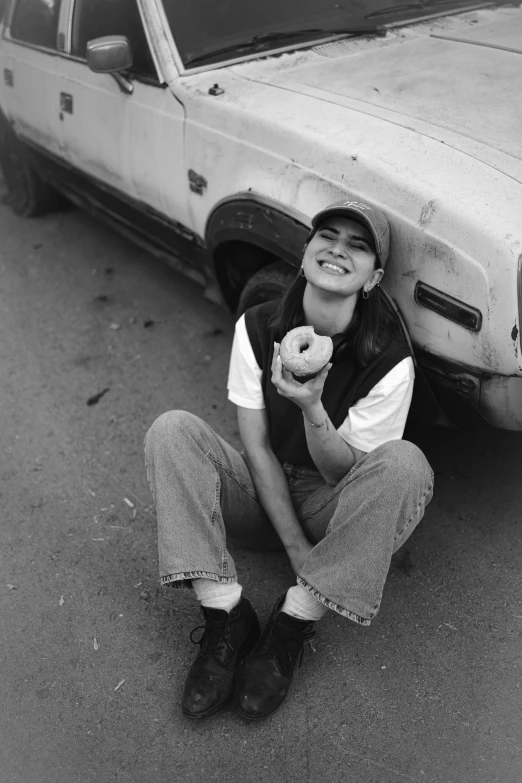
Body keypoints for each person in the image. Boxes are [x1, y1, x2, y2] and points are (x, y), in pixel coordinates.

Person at [144, 198, 434, 722]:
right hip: (263, 489)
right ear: (305, 254)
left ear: (374, 277)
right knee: (172, 430)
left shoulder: (389, 362)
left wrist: (311, 407)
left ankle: (293, 622)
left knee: (407, 465)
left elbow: (350, 479)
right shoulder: (257, 329)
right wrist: (294, 545)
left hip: (332, 509)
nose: (338, 249)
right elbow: (254, 447)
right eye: (328, 236)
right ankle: (225, 612)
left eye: (358, 245)